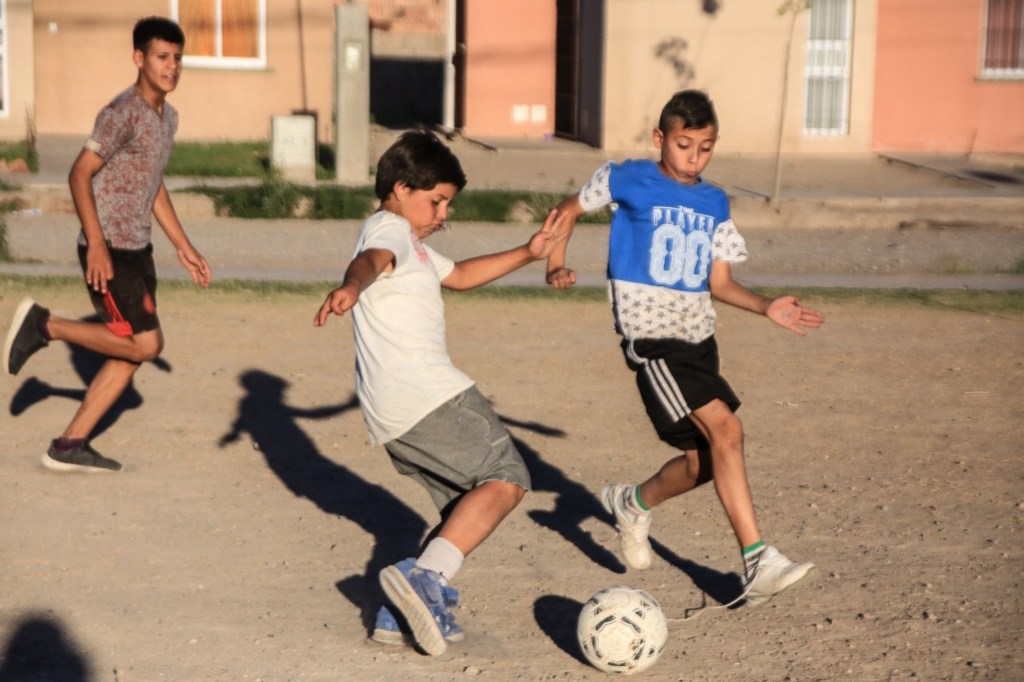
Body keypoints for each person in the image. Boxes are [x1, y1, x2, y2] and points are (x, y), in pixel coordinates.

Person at [545, 90, 824, 607]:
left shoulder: (714, 201)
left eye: (706, 147)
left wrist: (765, 306)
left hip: (699, 340)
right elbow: (565, 210)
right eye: (684, 144)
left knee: (708, 462)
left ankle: (631, 502)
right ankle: (757, 560)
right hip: (653, 343)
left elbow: (719, 282)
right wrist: (554, 263)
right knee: (728, 430)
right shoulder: (628, 178)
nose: (694, 157)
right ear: (660, 138)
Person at [314, 130, 566, 656]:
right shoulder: (390, 231)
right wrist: (350, 287)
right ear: (402, 188)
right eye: (437, 200)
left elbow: (464, 274)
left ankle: (395, 613)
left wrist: (528, 250)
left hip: (393, 412)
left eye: (448, 203)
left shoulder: (415, 246)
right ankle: (424, 582)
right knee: (507, 478)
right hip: (429, 394)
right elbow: (369, 262)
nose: (443, 213)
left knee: (463, 507)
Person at [2, 16, 211, 472]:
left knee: (129, 350)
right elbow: (79, 172)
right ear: (139, 59)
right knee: (146, 344)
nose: (171, 67)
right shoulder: (122, 113)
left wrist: (183, 245)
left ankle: (69, 445)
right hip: (109, 251)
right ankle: (45, 325)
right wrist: (95, 243)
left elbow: (152, 183)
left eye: (178, 59)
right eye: (162, 57)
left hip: (139, 250)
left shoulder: (167, 117)